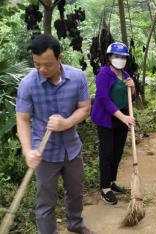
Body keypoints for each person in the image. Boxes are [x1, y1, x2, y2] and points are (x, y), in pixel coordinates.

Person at [16, 34, 94, 234]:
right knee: (45, 203)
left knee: (76, 192)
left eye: (47, 65)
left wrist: (66, 122)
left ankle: (75, 224)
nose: (42, 70)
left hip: (72, 150)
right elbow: (22, 120)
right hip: (45, 154)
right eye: (37, 64)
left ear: (60, 58)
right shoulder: (28, 84)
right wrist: (28, 151)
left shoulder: (77, 77)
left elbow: (85, 108)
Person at [91, 42, 136, 204]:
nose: (120, 59)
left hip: (122, 117)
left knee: (117, 152)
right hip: (106, 119)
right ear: (109, 57)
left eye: (123, 57)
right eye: (116, 56)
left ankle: (111, 182)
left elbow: (131, 97)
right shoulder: (103, 74)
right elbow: (103, 99)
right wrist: (123, 118)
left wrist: (133, 87)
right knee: (107, 154)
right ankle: (105, 188)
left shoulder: (125, 74)